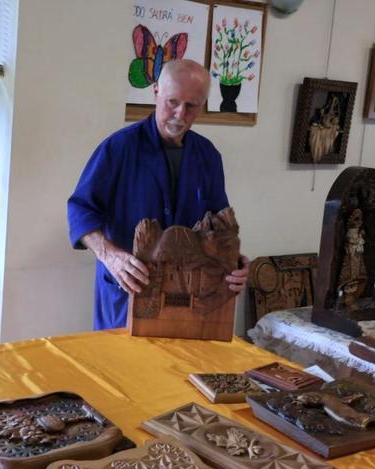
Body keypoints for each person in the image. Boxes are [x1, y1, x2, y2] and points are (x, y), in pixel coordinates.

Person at [67, 59, 250, 330]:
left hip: (188, 301)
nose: (179, 114)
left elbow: (219, 227)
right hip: (126, 293)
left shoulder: (208, 156)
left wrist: (235, 261)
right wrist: (110, 256)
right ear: (156, 92)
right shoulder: (118, 149)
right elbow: (80, 209)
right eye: (172, 102)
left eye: (192, 106)